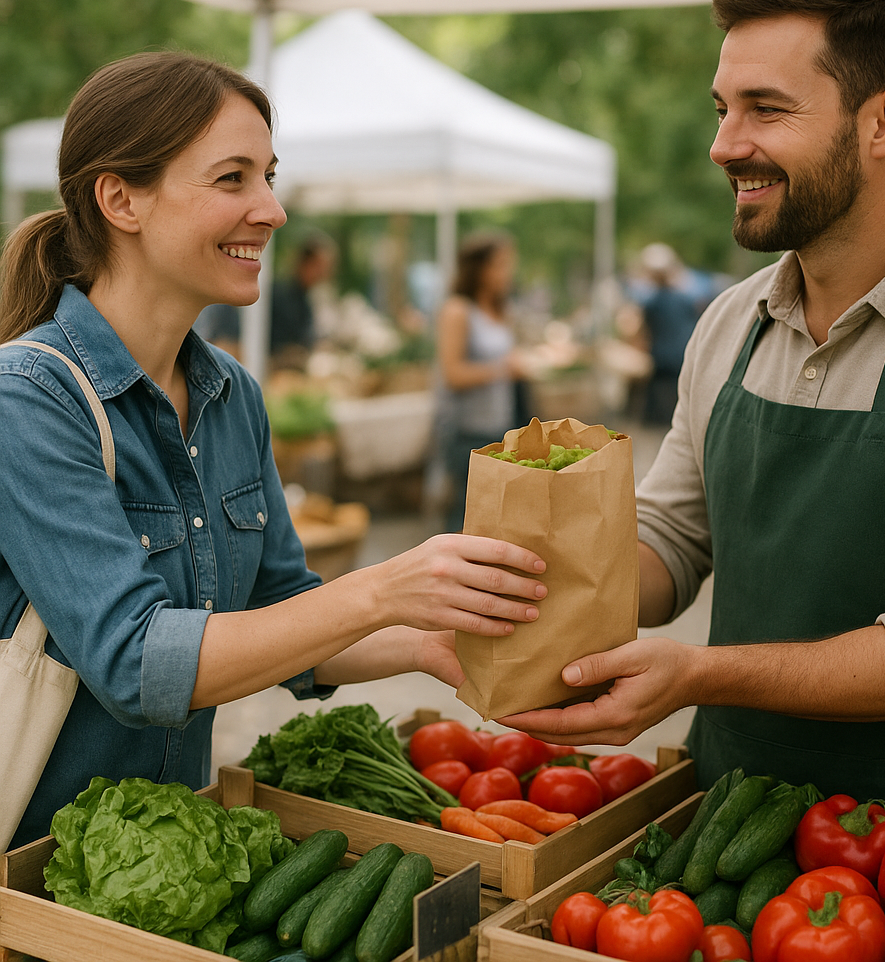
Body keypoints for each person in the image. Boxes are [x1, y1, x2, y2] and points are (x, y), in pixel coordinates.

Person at [502, 0, 885, 827]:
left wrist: (702, 673)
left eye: (766, 110)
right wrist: (529, 575)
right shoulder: (729, 324)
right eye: (723, 109)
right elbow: (673, 540)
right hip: (720, 823)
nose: (724, 144)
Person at [0, 51, 547, 850]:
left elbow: (275, 616)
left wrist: (433, 640)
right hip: (36, 872)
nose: (272, 209)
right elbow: (136, 661)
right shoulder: (29, 399)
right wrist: (384, 590)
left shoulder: (232, 395)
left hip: (168, 853)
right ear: (121, 199)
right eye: (232, 179)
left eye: (268, 175)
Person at [434, 231, 526, 533]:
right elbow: (453, 374)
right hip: (467, 433)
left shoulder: (501, 310)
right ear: (479, 269)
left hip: (500, 426)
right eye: (500, 264)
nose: (506, 272)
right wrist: (503, 369)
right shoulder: (458, 310)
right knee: (466, 514)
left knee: (500, 516)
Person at [634, 242, 721, 425]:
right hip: (683, 352)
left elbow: (645, 329)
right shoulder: (685, 298)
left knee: (656, 386)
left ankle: (652, 420)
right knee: (680, 389)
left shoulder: (651, 302)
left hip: (662, 355)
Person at [269, 231, 338, 363]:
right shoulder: (278, 295)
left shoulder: (305, 298)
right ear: (305, 263)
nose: (324, 273)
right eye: (320, 267)